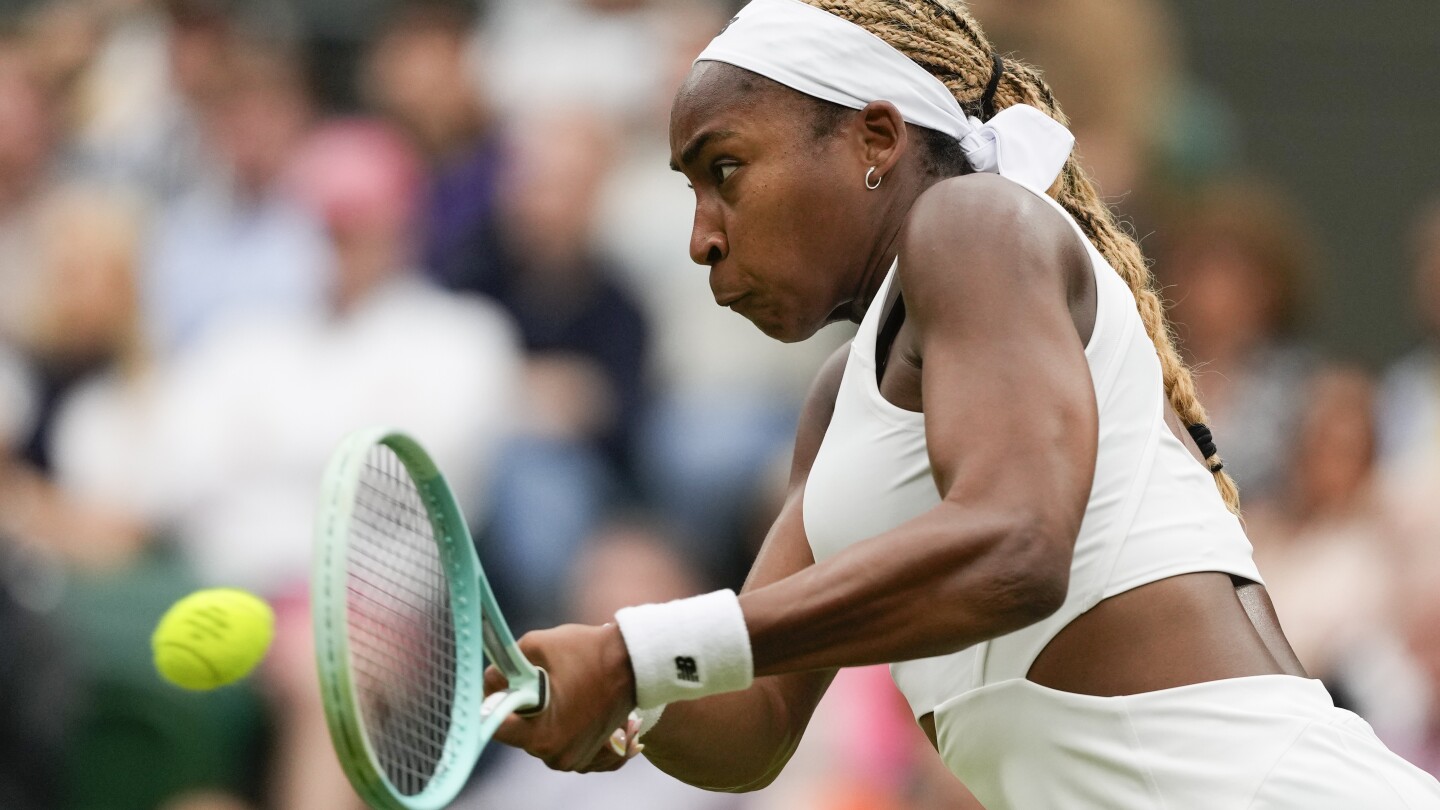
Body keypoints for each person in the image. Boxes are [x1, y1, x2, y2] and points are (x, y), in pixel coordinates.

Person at [483, 0, 1440, 807]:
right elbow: (759, 723)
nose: (701, 238)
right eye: (690, 190)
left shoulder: (976, 223)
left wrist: (642, 651)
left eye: (724, 169)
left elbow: (1017, 543)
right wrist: (631, 697)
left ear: (875, 137)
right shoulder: (836, 405)